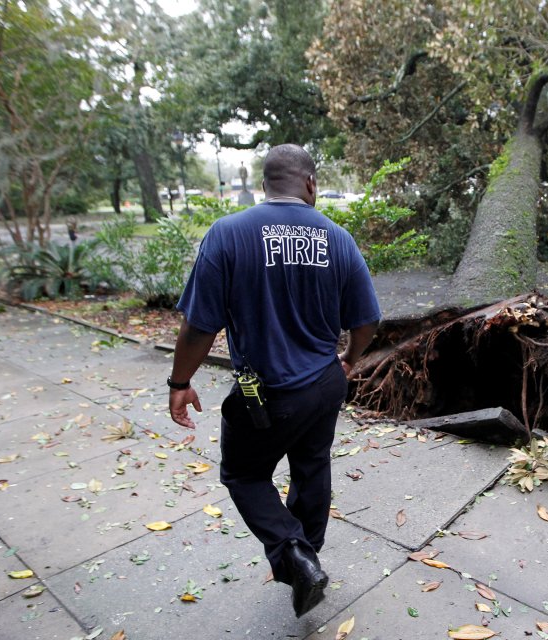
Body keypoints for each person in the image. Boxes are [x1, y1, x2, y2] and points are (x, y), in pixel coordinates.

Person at [167, 144, 381, 618]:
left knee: (243, 474)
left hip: (263, 393)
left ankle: (295, 552)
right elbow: (367, 321)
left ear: (266, 185)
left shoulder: (227, 234)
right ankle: (307, 553)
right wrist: (348, 358)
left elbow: (200, 326)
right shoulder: (338, 238)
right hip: (325, 382)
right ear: (310, 184)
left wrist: (179, 381)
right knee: (311, 464)